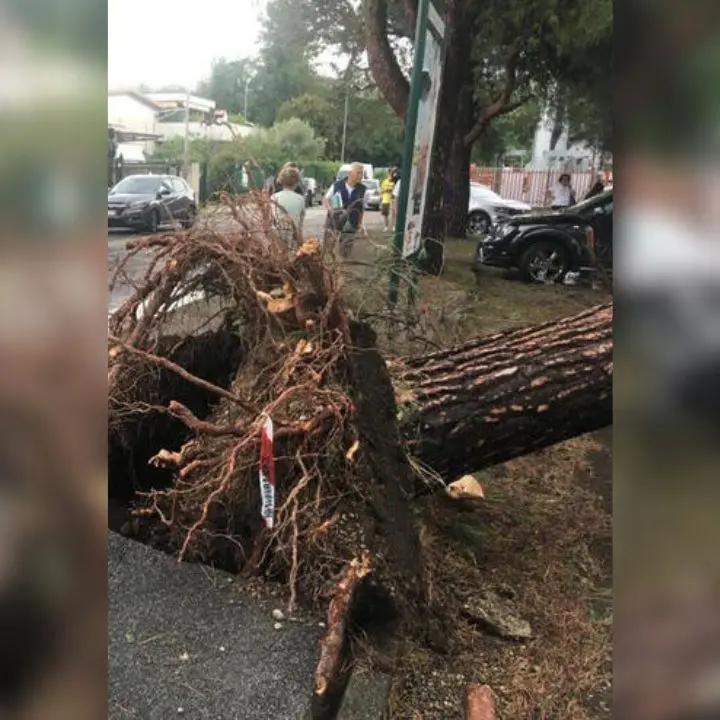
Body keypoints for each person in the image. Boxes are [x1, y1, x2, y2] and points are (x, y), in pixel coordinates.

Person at [323, 162, 367, 258]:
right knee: (329, 249)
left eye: (362, 173)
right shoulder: (337, 185)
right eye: (358, 173)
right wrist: (331, 210)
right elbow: (326, 200)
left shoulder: (363, 189)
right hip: (334, 221)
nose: (361, 176)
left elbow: (361, 208)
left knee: (345, 251)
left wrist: (360, 224)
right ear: (350, 173)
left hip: (351, 223)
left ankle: (342, 267)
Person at [271, 164, 306, 250]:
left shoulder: (274, 197)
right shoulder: (300, 199)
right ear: (296, 181)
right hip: (294, 237)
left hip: (277, 237)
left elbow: (271, 221)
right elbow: (300, 224)